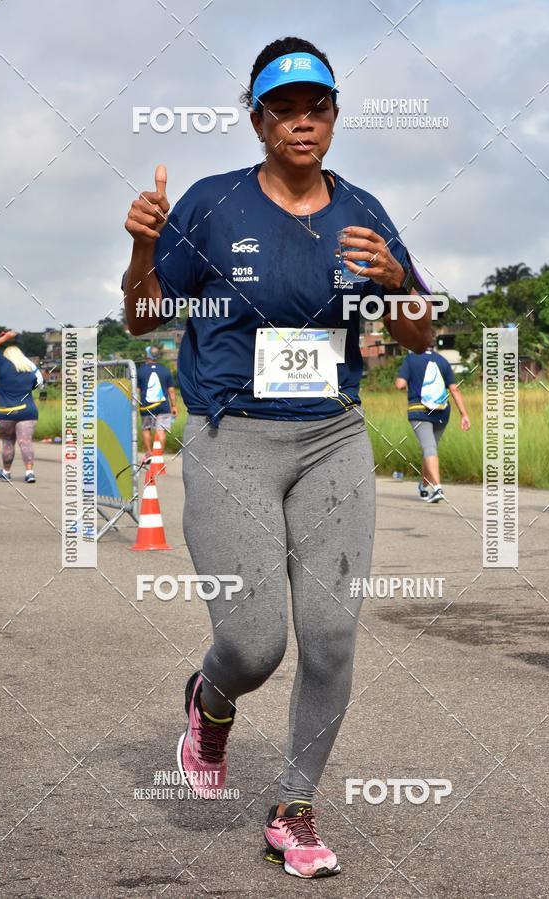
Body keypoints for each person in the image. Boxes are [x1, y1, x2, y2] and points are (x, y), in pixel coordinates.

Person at [123, 36, 432, 879]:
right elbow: (144, 316)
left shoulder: (363, 210)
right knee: (254, 643)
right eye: (283, 109)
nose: (302, 122)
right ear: (257, 121)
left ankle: (294, 808)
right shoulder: (212, 205)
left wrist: (397, 277)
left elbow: (419, 333)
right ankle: (211, 697)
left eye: (316, 107)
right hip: (233, 434)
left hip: (333, 434)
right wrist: (144, 249)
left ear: (334, 116)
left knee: (330, 635)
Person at [395, 343, 470, 503]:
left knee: (429, 448)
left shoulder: (410, 359)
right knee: (430, 449)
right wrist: (464, 414)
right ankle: (424, 486)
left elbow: (400, 384)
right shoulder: (442, 361)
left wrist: (408, 381)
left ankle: (437, 488)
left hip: (419, 411)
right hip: (442, 413)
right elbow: (454, 389)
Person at [0, 330, 43, 483]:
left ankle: (6, 472)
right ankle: (29, 472)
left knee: (8, 442)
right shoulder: (30, 373)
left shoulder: (3, 365)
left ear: (6, 357)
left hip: (6, 412)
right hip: (28, 411)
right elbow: (38, 384)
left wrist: (5, 338)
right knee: (25, 441)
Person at [136, 345, 177, 463]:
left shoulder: (140, 371)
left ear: (147, 355)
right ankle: (158, 456)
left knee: (146, 429)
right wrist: (174, 406)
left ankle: (149, 453)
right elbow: (171, 390)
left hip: (146, 406)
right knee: (161, 430)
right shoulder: (165, 370)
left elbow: (137, 390)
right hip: (163, 406)